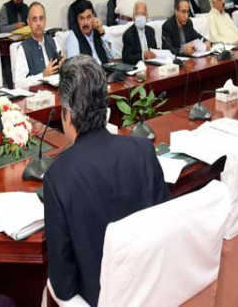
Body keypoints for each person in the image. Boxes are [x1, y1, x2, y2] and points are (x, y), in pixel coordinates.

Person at [44, 55, 170, 305]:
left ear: (67, 114)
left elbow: (63, 285)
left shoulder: (58, 177)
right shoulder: (143, 150)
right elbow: (166, 226)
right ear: (105, 107)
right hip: (154, 288)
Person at [14, 2, 62, 88]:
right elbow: (19, 84)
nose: (38, 23)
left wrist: (63, 65)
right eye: (34, 19)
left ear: (45, 20)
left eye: (41, 18)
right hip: (36, 94)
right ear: (28, 22)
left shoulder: (53, 41)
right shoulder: (23, 48)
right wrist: (43, 75)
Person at [121, 0, 158, 64]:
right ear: (133, 16)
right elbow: (126, 58)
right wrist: (143, 56)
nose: (140, 17)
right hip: (137, 67)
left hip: (152, 65)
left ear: (146, 17)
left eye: (143, 14)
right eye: (138, 14)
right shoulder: (128, 34)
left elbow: (154, 50)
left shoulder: (151, 31)